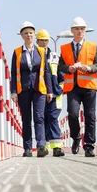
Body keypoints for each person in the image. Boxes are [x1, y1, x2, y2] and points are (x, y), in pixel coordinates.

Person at [58, 17, 97, 157]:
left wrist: (89, 68)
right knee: (72, 114)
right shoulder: (64, 48)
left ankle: (89, 146)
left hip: (89, 86)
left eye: (82, 29)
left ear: (85, 31)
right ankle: (76, 138)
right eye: (77, 29)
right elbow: (60, 66)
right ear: (72, 31)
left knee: (90, 116)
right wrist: (68, 69)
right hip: (73, 87)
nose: (79, 31)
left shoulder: (93, 46)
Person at [10, 21, 53, 157]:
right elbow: (13, 72)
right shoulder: (17, 52)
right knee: (26, 119)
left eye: (31, 33)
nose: (28, 35)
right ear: (22, 35)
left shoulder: (41, 51)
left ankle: (41, 146)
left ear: (34, 35)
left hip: (39, 89)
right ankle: (27, 148)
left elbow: (47, 71)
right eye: (26, 33)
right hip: (23, 89)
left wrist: (50, 90)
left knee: (39, 117)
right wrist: (13, 91)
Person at [36, 29, 65, 157]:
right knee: (43, 119)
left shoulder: (55, 57)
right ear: (37, 41)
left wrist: (57, 90)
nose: (44, 42)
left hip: (55, 94)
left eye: (46, 40)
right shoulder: (34, 56)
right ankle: (45, 146)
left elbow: (61, 76)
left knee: (53, 118)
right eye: (41, 40)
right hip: (41, 93)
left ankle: (57, 147)